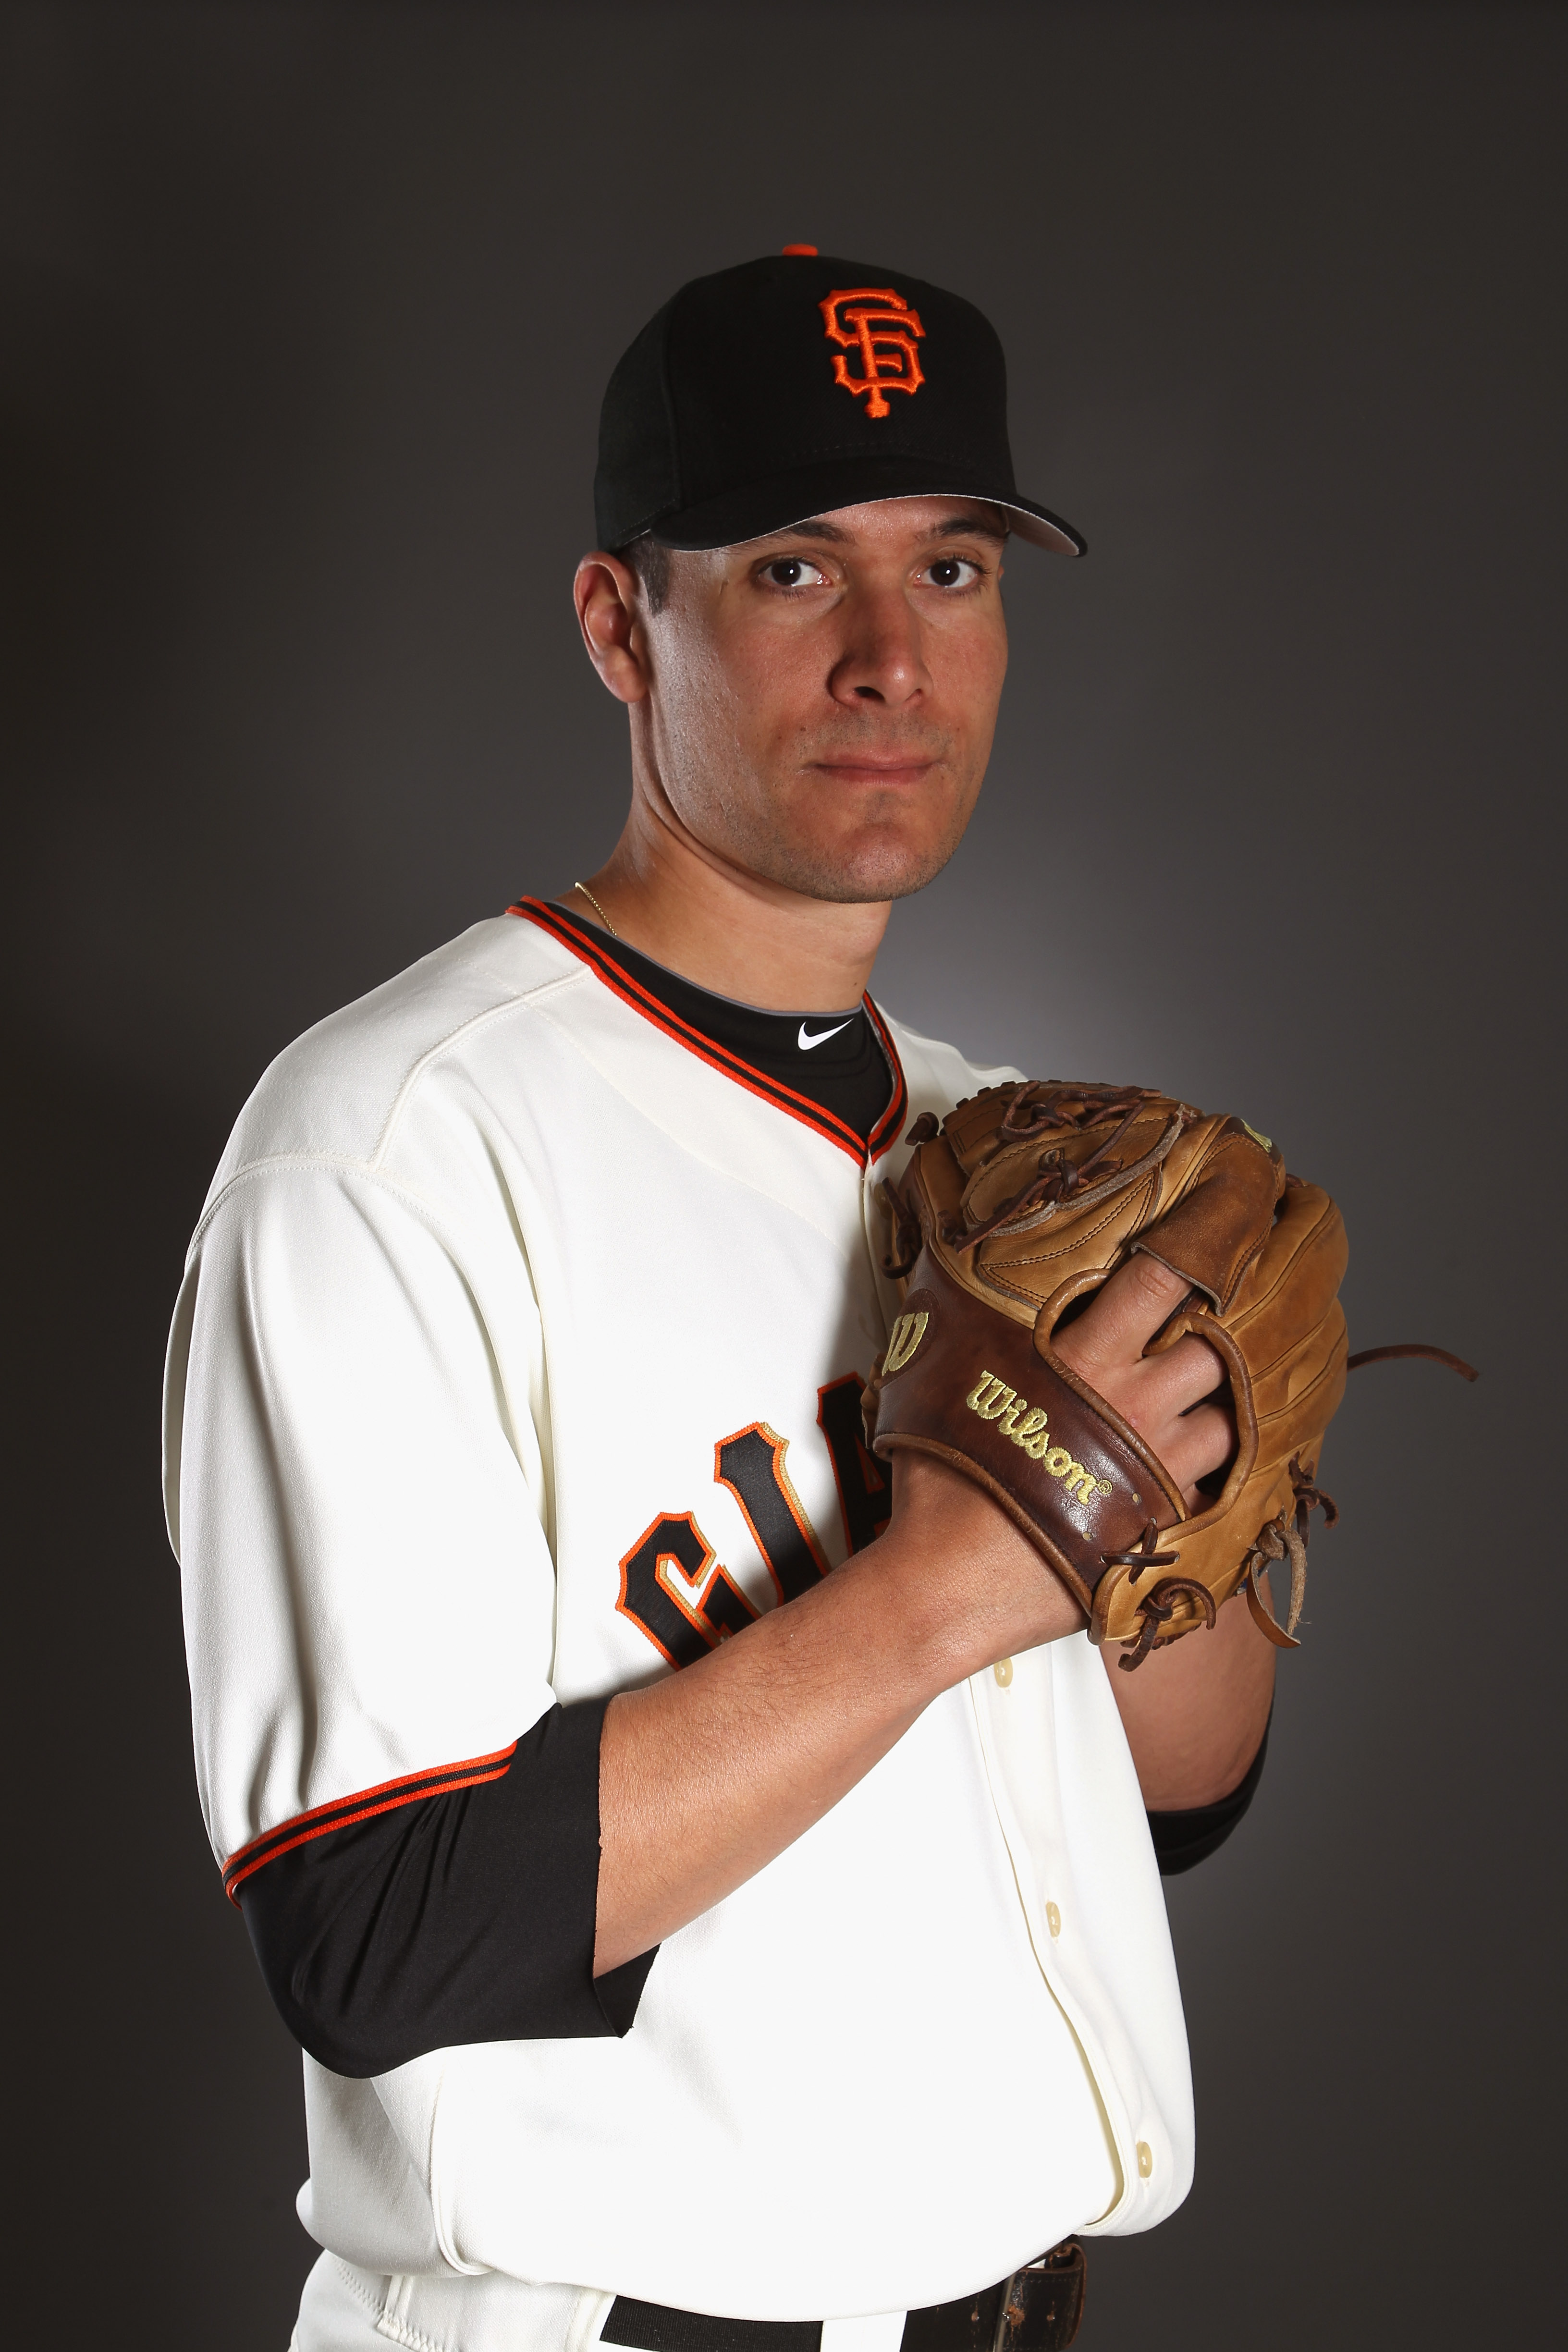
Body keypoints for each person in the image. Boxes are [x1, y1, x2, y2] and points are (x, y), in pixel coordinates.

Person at [163, 251, 1276, 2352]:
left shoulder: (1010, 1153)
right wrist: (963, 1569)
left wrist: (1186, 1500)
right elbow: (376, 1934)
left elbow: (1184, 1794)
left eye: (954, 567)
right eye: (790, 569)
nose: (890, 657)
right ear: (620, 624)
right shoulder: (391, 1143)